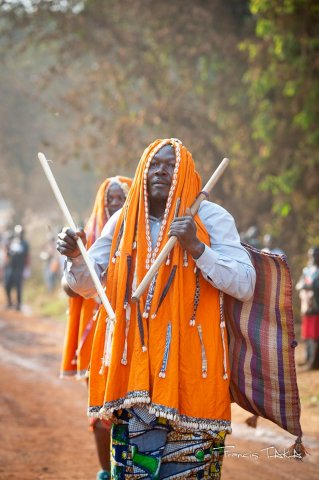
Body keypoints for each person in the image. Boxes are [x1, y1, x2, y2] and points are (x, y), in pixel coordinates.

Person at [57, 139, 256, 479]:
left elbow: (245, 283)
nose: (162, 170)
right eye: (154, 164)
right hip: (134, 377)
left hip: (194, 376)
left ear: (185, 174)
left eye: (170, 165)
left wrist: (196, 246)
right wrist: (76, 257)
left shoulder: (211, 218)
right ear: (142, 172)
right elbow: (87, 286)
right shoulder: (121, 221)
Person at [60, 176, 132, 480]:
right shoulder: (85, 238)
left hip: (132, 339)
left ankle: (132, 469)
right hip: (96, 341)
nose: (114, 204)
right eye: (109, 199)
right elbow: (70, 287)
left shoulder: (138, 236)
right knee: (102, 410)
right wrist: (78, 259)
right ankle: (107, 471)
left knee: (131, 409)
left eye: (120, 198)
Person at [296, 246, 319, 370]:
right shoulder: (307, 270)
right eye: (312, 254)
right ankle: (307, 358)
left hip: (317, 307)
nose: (313, 257)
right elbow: (299, 285)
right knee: (308, 335)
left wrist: (309, 286)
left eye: (316, 254)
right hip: (307, 307)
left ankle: (313, 362)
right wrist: (305, 286)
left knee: (316, 336)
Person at [4, 225, 30, 310]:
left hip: (19, 268)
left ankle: (18, 304)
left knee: (18, 287)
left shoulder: (25, 244)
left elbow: (27, 256)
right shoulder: (12, 242)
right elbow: (7, 254)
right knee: (7, 285)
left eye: (21, 233)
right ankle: (9, 302)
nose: (20, 234)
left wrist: (27, 268)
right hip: (10, 267)